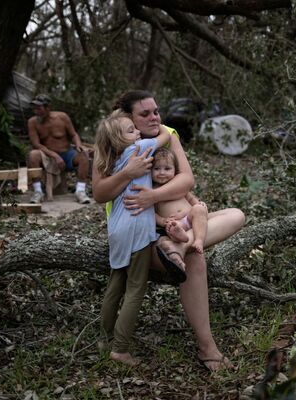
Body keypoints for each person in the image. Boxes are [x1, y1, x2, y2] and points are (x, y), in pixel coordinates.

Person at [92, 90, 245, 372]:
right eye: (145, 114)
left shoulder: (167, 133)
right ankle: (207, 348)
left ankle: (180, 245)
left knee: (236, 214)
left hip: (178, 225)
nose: (154, 117)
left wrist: (152, 196)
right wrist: (129, 177)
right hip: (142, 235)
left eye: (156, 111)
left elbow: (187, 179)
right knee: (195, 261)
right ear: (128, 119)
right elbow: (100, 193)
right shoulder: (114, 141)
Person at [94, 110, 171, 366]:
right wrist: (164, 129)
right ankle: (120, 348)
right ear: (120, 140)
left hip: (116, 228)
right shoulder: (140, 148)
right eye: (130, 130)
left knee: (116, 282)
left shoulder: (114, 161)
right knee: (136, 288)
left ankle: (104, 339)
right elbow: (163, 137)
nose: (137, 132)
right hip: (137, 228)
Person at [27, 94, 91, 204]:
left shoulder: (62, 117)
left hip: (67, 154)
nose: (36, 111)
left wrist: (79, 144)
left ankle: (80, 191)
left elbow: (73, 134)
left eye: (39, 108)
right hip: (47, 156)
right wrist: (54, 155)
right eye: (34, 108)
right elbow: (36, 144)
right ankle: (38, 191)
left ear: (48, 108)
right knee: (33, 154)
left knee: (83, 155)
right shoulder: (32, 122)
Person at [152, 147, 208, 255]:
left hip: (189, 216)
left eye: (167, 169)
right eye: (157, 168)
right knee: (172, 228)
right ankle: (179, 236)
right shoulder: (153, 190)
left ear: (175, 170)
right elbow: (151, 212)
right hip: (176, 222)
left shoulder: (177, 185)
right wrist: (162, 221)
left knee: (199, 210)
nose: (162, 172)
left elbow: (190, 198)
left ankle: (199, 240)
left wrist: (198, 204)